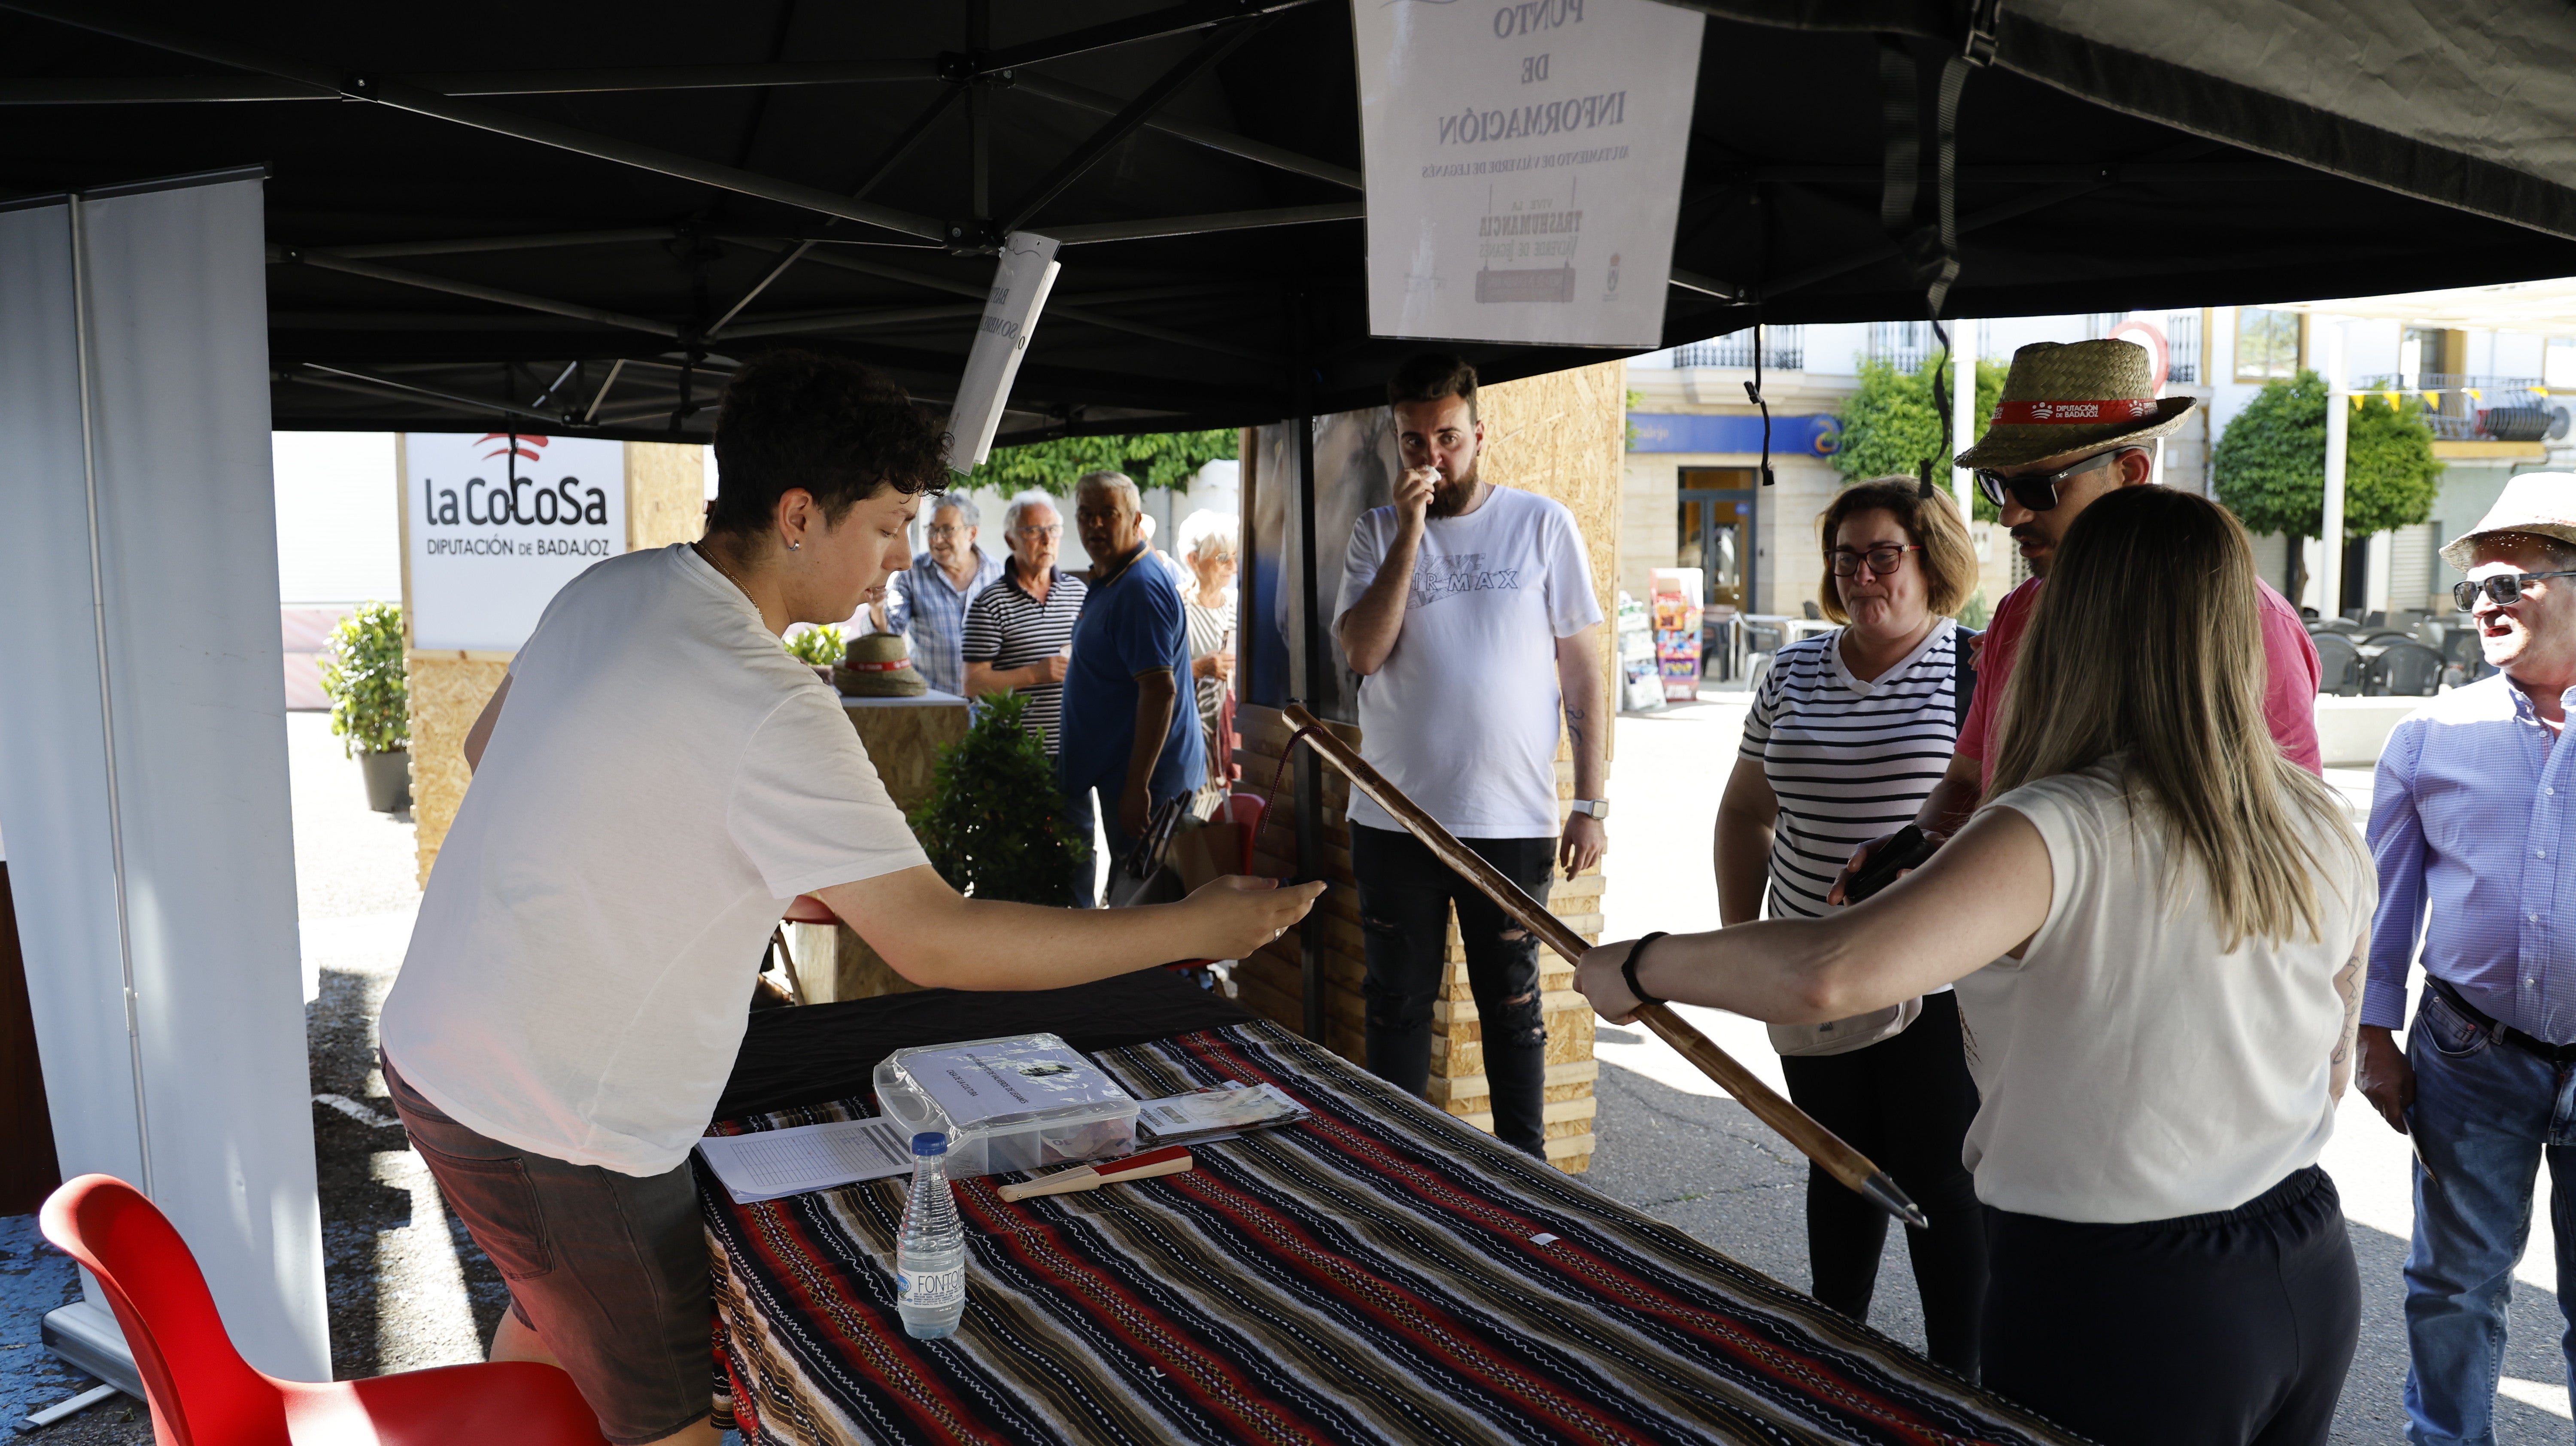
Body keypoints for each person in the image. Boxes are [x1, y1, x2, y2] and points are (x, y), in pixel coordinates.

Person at [374, 352, 1319, 1446]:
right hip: (546, 1116)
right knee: (670, 1411)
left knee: (554, 1309)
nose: (897, 562)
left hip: (438, 1047)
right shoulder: (768, 697)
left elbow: (489, 748)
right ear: (796, 515)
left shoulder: (614, 588)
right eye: (884, 527)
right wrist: (1201, 927)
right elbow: (937, 941)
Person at [1581, 487, 2372, 1446]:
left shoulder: (2057, 826)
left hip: (2128, 1296)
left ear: (2077, 629)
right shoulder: (2318, 819)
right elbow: (2332, 1061)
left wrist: (1645, 964)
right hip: (2306, 1262)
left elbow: (1830, 971)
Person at [1845, 340, 2322, 890]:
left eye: (2036, 487)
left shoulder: (2251, 622)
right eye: (1998, 484)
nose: (2010, 514)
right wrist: (1918, 848)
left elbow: (2295, 837)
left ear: (2130, 472)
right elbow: (1970, 780)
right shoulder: (2018, 613)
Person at [1714, 477, 1985, 1374]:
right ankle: (1836, 1370)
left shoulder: (1975, 669)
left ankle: (1962, 1387)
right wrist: (1740, 942)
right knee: (1837, 1169)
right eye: (1846, 558)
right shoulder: (1791, 670)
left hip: (1933, 983)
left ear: (1930, 559)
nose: (1864, 576)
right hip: (1808, 973)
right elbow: (1745, 812)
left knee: (1939, 1184)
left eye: (1884, 555)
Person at [1334, 353, 1606, 1160]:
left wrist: (1590, 803)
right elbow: (1364, 652)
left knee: (1514, 1006)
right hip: (1393, 818)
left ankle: (1527, 1177)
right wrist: (1411, 529)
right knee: (1396, 1006)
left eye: (1447, 437)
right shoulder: (1376, 533)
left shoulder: (1541, 524)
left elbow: (1583, 670)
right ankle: (1397, 1172)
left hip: (1510, 817)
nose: (1432, 457)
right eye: (1414, 441)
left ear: (1478, 434)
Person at [2354, 473, 2576, 1446]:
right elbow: (2380, 906)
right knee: (2453, 1288)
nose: (2485, 603)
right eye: (2474, 588)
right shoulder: (2431, 734)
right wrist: (2371, 1032)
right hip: (2470, 1054)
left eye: (2510, 583)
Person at [1059, 470, 1204, 907]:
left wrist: (1137, 786)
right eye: (1086, 514)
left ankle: (1180, 980)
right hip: (1124, 775)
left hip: (1148, 784)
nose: (1096, 525)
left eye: (1109, 513)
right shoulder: (1112, 576)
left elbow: (1161, 692)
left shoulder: (1140, 589)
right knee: (1135, 896)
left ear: (1136, 519)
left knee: (1152, 903)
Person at [962, 490, 1086, 756]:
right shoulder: (989, 604)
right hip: (1017, 758)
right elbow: (973, 684)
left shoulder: (1079, 594)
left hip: (1075, 752)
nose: (1047, 540)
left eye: (1053, 529)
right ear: (1011, 540)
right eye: (1033, 531)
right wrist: (1035, 674)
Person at [866, 495, 1000, 697]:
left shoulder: (997, 574)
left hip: (988, 707)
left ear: (971, 533)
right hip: (934, 705)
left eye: (947, 530)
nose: (937, 539)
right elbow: (889, 636)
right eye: (932, 530)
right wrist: (877, 609)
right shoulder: (912, 575)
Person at [1176, 508, 1238, 799]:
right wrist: (1198, 668)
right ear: (1193, 560)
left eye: (1235, 556)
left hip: (1234, 736)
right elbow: (1153, 673)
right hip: (1188, 737)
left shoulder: (1241, 606)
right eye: (1223, 557)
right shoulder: (1176, 607)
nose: (1233, 566)